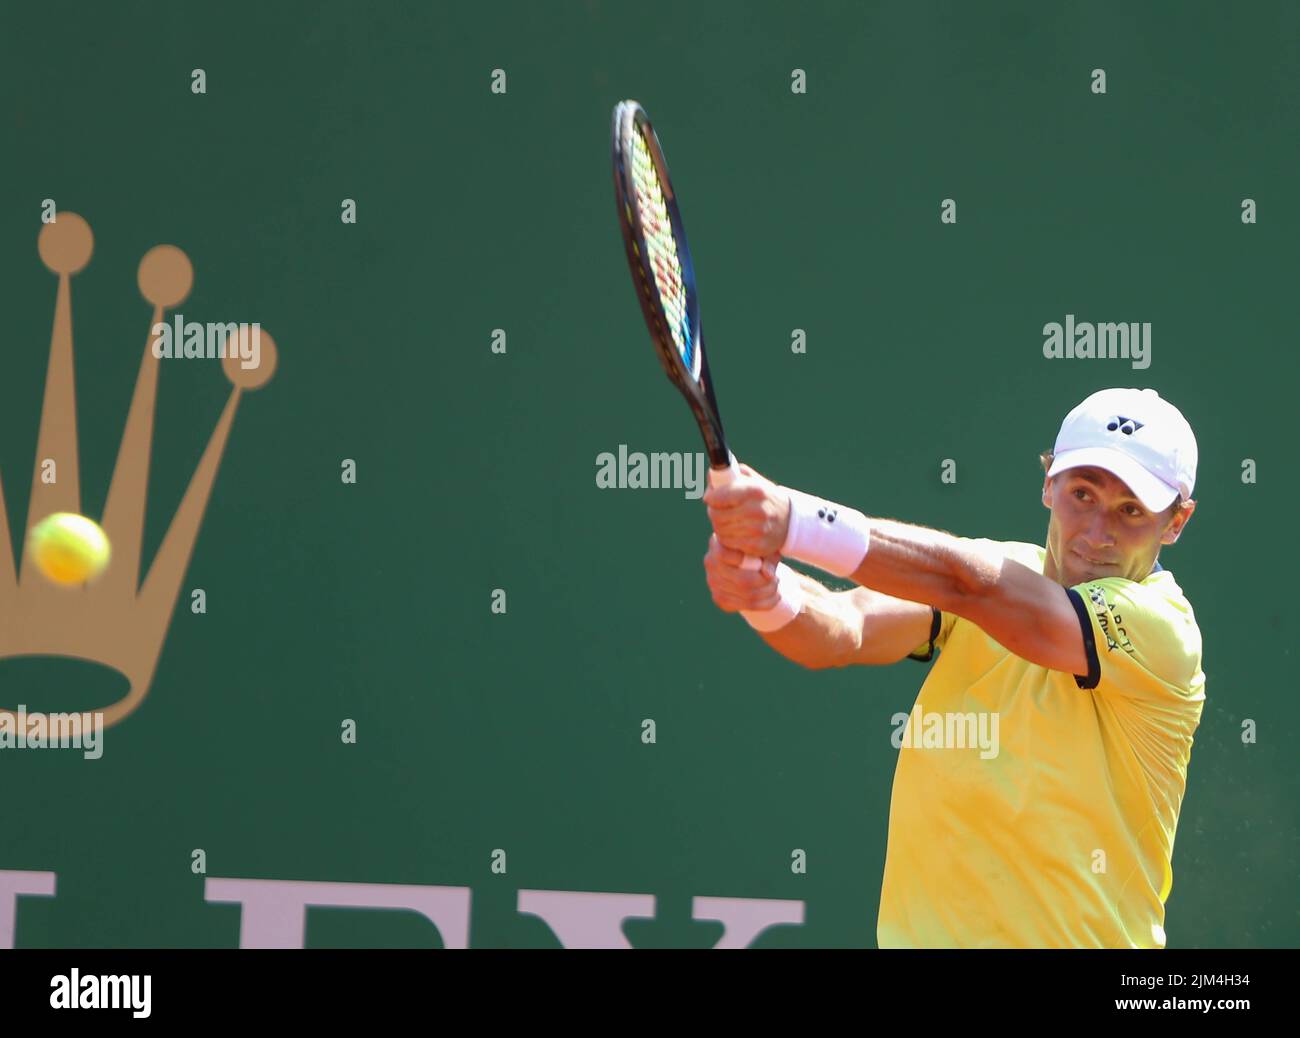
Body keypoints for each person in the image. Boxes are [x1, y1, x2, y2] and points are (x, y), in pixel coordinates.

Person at [702, 387, 1203, 948]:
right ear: (1048, 485)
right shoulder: (996, 578)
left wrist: (794, 521)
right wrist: (765, 592)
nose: (1096, 531)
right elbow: (844, 629)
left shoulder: (1163, 631)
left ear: (1176, 522)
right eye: (1082, 494)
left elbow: (973, 587)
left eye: (1130, 510)